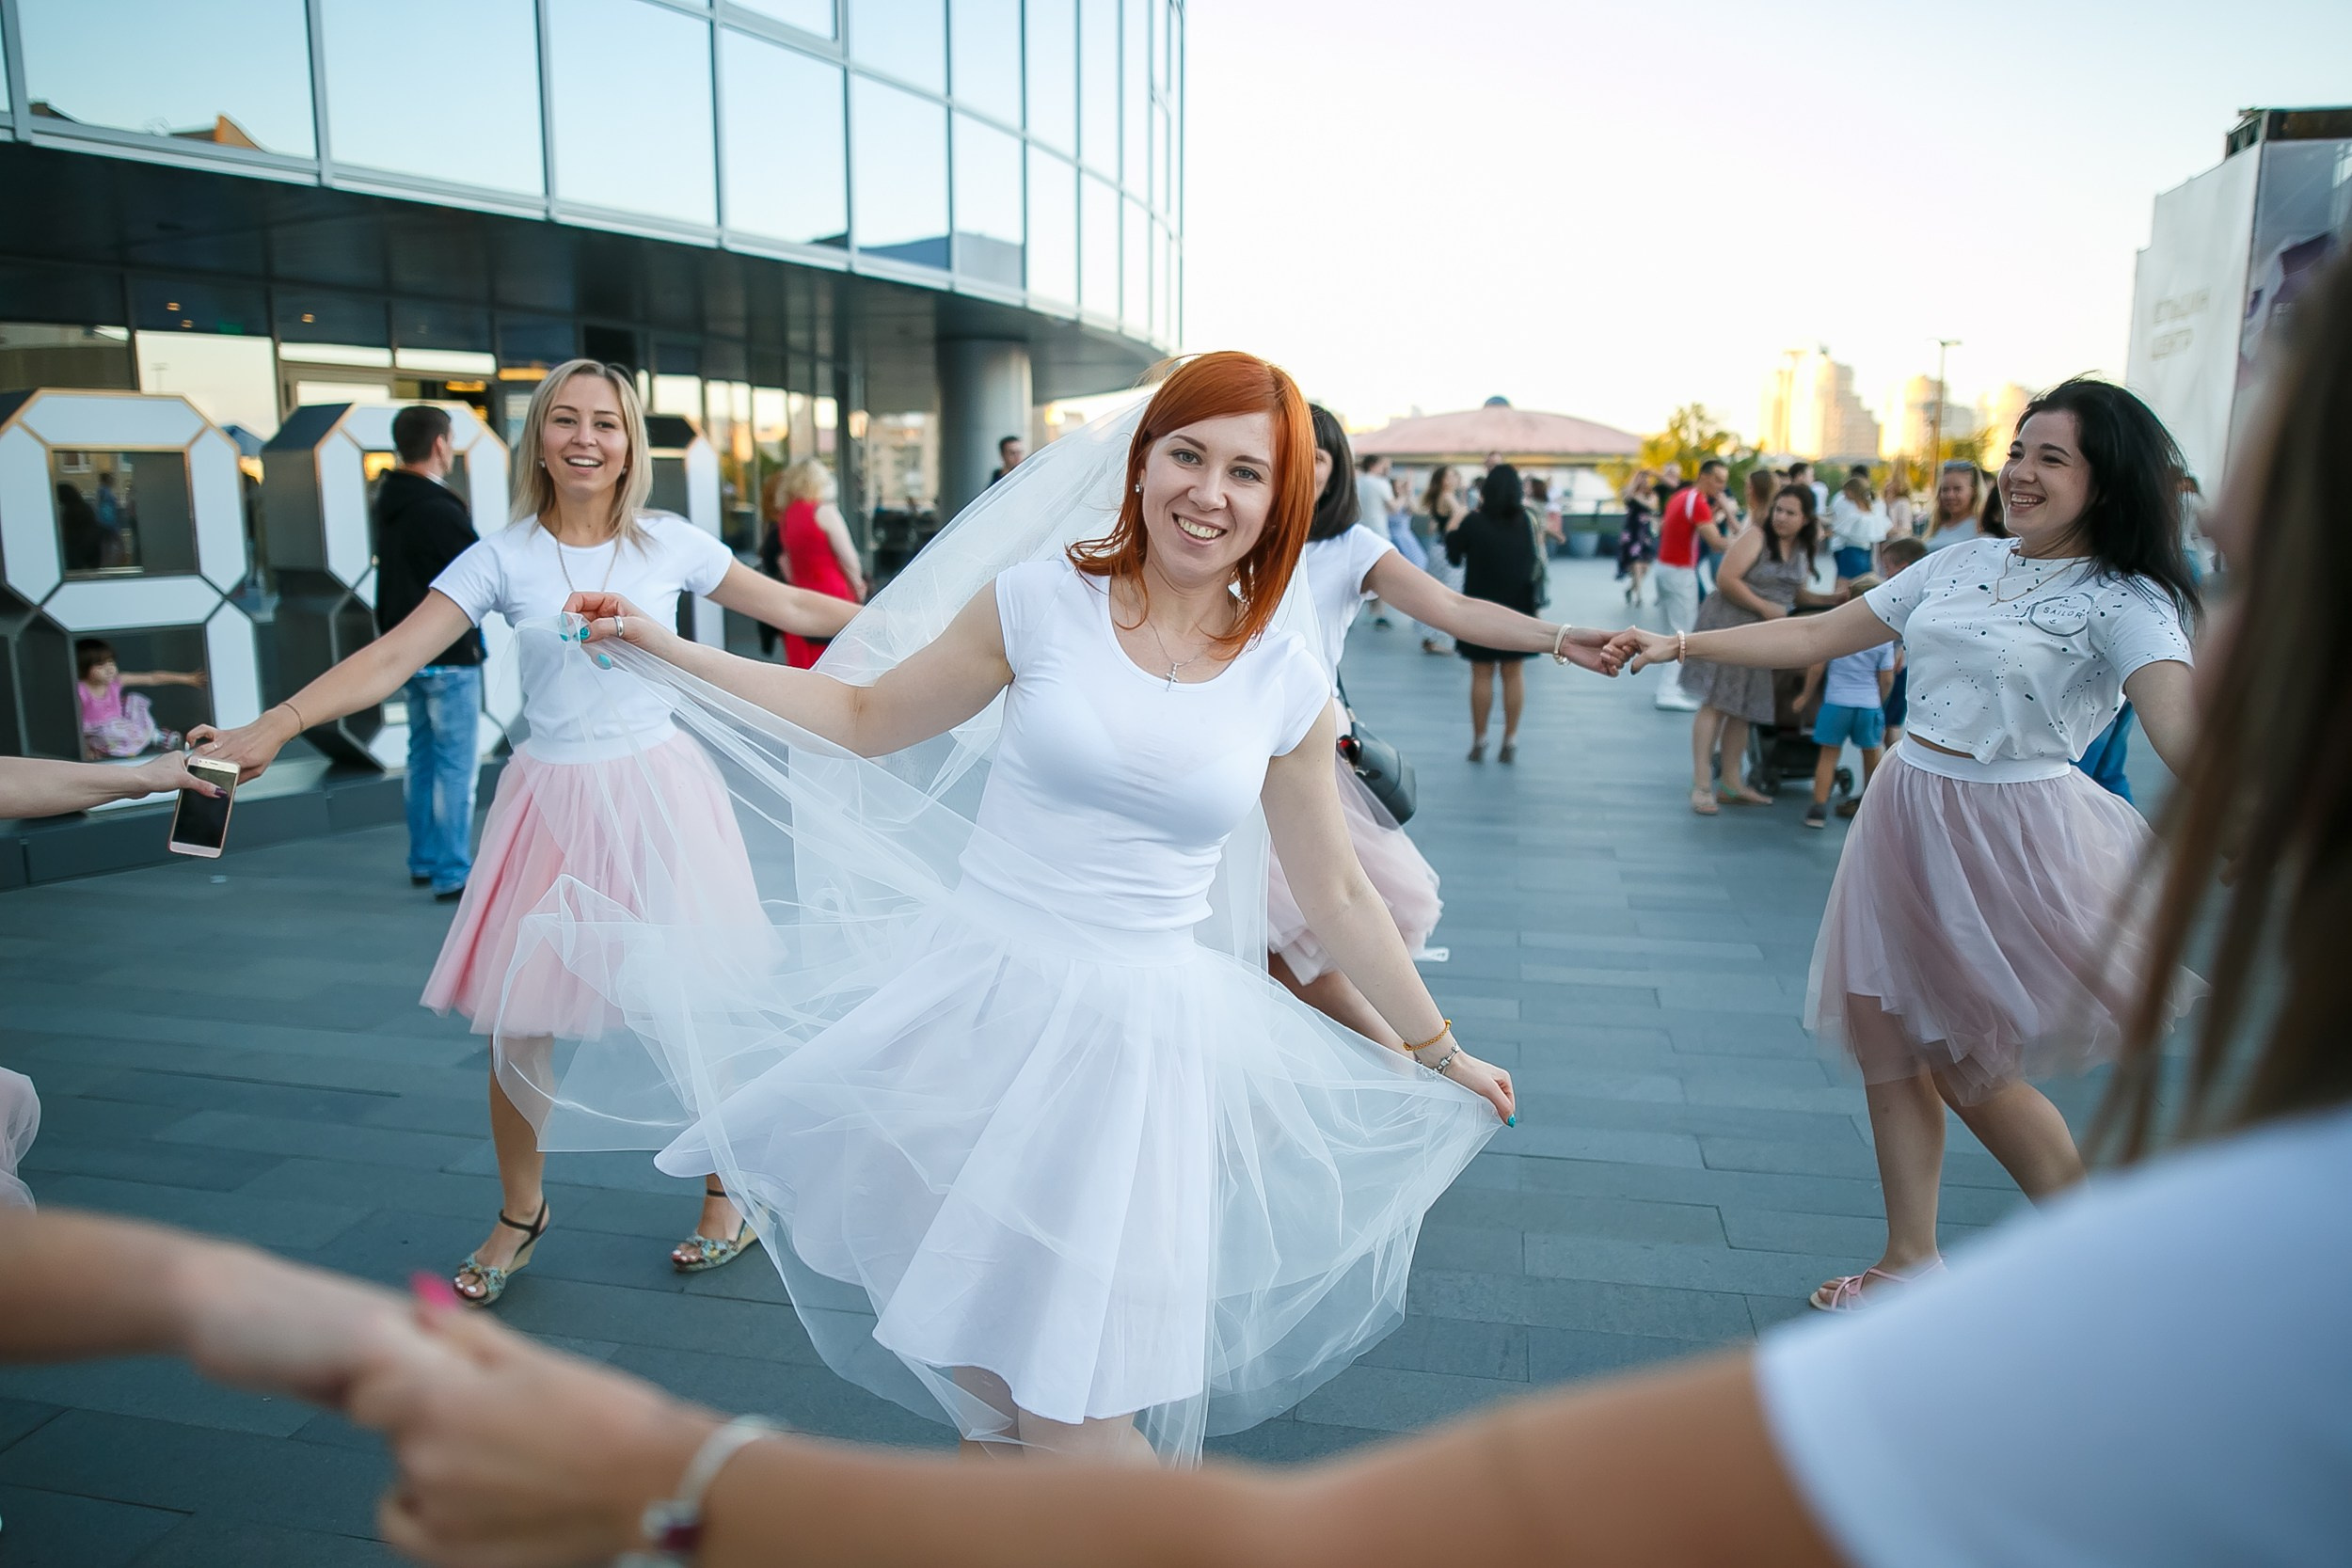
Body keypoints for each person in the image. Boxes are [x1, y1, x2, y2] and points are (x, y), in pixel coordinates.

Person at [541, 351, 1513, 1464]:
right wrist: (666, 647)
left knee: (1072, 1407)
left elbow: (1337, 892)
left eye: (1246, 472)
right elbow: (860, 715)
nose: (1209, 491)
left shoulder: (1284, 678)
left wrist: (1440, 1052)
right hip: (976, 1020)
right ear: (1141, 464)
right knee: (1000, 1402)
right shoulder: (1039, 601)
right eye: (1187, 454)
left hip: (1129, 1059)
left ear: (1281, 501)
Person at [190, 359, 860, 1305]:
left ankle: (728, 1189)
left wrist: (914, 631)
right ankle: (522, 1209)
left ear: (629, 445)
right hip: (548, 801)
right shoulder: (500, 555)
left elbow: (790, 606)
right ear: (538, 439)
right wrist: (277, 723)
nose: (587, 438)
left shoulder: (667, 541)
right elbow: (390, 655)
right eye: (567, 421)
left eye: (608, 423)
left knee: (702, 1004)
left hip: (661, 794)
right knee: (518, 1024)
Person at [1610, 375, 2201, 1312]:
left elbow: (2185, 729)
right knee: (1890, 1037)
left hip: (2012, 836)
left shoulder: (2123, 599)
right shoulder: (1958, 564)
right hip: (1904, 807)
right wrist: (1677, 645)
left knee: (1970, 1065)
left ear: (2107, 479)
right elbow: (1815, 632)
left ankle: (2093, 1255)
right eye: (2018, 449)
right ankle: (1906, 1257)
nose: (2021, 471)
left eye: (2053, 457)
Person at [1269, 406, 1613, 1042]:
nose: (1301, 467)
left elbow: (1450, 606)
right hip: (1213, 753)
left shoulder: (1350, 548)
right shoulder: (1226, 531)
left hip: (1297, 760)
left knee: (1292, 954)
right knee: (1245, 951)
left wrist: (1559, 637)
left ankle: (1410, 1061)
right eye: (1285, 450)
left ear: (1337, 469)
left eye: (1317, 456)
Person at [375, 405, 489, 901]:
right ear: (440, 444)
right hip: (450, 655)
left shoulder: (391, 500)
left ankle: (423, 857)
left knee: (421, 757)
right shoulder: (440, 509)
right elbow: (477, 580)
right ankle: (451, 870)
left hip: (407, 652)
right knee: (456, 767)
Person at [1677, 484, 1834, 815]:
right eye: (1778, 509)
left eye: (1790, 513)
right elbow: (1726, 579)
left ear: (1806, 519)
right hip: (1729, 621)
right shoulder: (1756, 537)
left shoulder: (1802, 549)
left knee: (1744, 706)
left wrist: (1833, 601)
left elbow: (1796, 594)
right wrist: (1764, 607)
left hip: (1762, 632)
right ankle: (1702, 783)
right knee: (1716, 702)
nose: (1781, 517)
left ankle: (1732, 782)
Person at [1445, 462, 1547, 761]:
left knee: (1481, 673)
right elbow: (1530, 564)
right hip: (1517, 607)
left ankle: (1479, 740)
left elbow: (1452, 555)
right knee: (1514, 672)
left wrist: (1456, 519)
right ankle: (1510, 739)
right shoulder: (1525, 521)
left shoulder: (1474, 522)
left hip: (1479, 607)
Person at [1795, 573, 1896, 829]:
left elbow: (1817, 667)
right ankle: (1869, 808)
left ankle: (1817, 810)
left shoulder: (1837, 633)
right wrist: (1880, 702)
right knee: (1871, 755)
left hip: (1836, 702)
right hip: (1868, 704)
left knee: (1828, 755)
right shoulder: (1882, 637)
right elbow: (1886, 679)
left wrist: (1805, 696)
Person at [759, 459, 866, 669]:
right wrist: (858, 584)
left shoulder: (787, 517)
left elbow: (785, 565)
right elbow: (849, 558)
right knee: (842, 667)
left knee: (807, 667)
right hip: (834, 594)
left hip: (802, 600)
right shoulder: (824, 512)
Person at [1650, 459, 1734, 710]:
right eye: (1718, 480)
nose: (1722, 486)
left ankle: (1672, 687)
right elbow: (1717, 542)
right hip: (1679, 571)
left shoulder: (1682, 496)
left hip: (1665, 568)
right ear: (1705, 477)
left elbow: (1675, 527)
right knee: (1682, 633)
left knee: (1675, 630)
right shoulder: (1697, 502)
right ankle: (1668, 692)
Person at [74, 638, 202, 758]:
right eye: (100, 666)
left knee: (133, 701)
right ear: (83, 667)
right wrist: (84, 748)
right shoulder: (80, 690)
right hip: (97, 734)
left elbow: (152, 678)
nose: (109, 669)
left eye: (111, 662)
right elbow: (75, 723)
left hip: (120, 726)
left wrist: (188, 679)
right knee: (110, 732)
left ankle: (157, 736)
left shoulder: (116, 682)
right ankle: (121, 747)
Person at [1869, 535, 1928, 773]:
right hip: (1905, 667)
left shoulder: (1906, 595)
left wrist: (1900, 649)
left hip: (1898, 668)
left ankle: (1889, 773)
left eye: (1887, 568)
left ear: (1903, 569)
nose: (1885, 574)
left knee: (1886, 725)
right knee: (1892, 723)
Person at [1825, 471, 1889, 587]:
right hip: (1866, 553)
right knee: (1861, 585)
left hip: (1850, 552)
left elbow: (1840, 529)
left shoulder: (1854, 514)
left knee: (1843, 584)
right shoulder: (1873, 512)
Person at [1919, 459, 1996, 550]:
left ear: (1974, 491)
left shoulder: (1981, 528)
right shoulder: (1933, 526)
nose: (1950, 495)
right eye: (1945, 489)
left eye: (1957, 489)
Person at [1616, 467, 1658, 605]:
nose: (1644, 481)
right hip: (1631, 531)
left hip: (1645, 532)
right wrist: (1634, 484)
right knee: (1636, 563)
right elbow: (1626, 496)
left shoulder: (1651, 494)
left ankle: (1630, 590)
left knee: (1645, 566)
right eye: (1641, 478)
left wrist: (1637, 497)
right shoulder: (1630, 492)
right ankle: (1639, 596)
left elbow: (1652, 506)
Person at [1880, 471, 1915, 536]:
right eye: (1887, 486)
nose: (1888, 488)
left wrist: (1891, 532)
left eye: (1890, 485)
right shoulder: (1880, 504)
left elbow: (1906, 528)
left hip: (1898, 541)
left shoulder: (1903, 503)